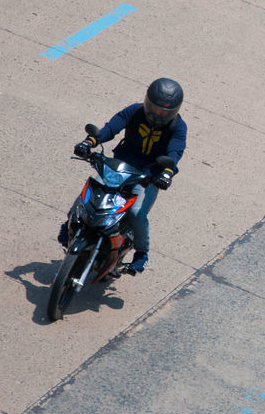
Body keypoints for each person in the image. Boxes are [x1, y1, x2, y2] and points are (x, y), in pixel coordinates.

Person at [60, 78, 187, 273]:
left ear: (174, 111)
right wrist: (90, 141)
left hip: (148, 175)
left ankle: (141, 253)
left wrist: (167, 173)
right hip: (119, 166)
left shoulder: (178, 127)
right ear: (146, 102)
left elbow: (175, 151)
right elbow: (111, 128)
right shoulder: (135, 111)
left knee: (136, 213)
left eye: (164, 112)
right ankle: (68, 224)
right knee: (89, 193)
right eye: (154, 108)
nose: (157, 114)